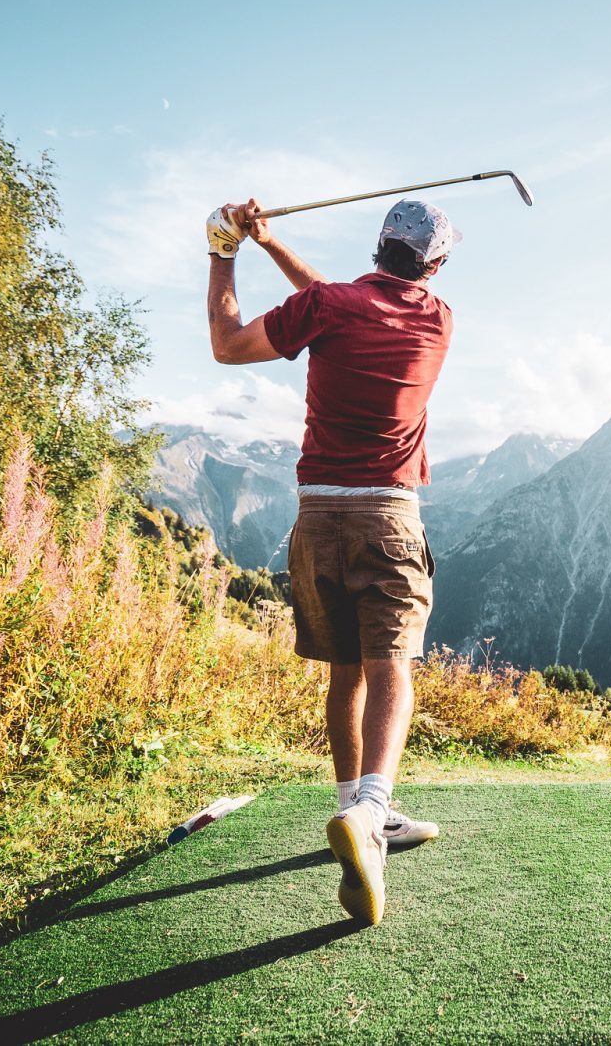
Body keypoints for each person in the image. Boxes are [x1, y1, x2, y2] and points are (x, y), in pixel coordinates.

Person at [203, 196, 458, 925]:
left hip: (316, 519)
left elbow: (231, 340)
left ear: (378, 248)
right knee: (392, 669)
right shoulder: (437, 320)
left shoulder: (331, 307)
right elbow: (331, 298)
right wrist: (269, 243)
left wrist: (226, 248)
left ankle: (355, 805)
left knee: (347, 670)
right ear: (433, 265)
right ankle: (372, 811)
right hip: (387, 517)